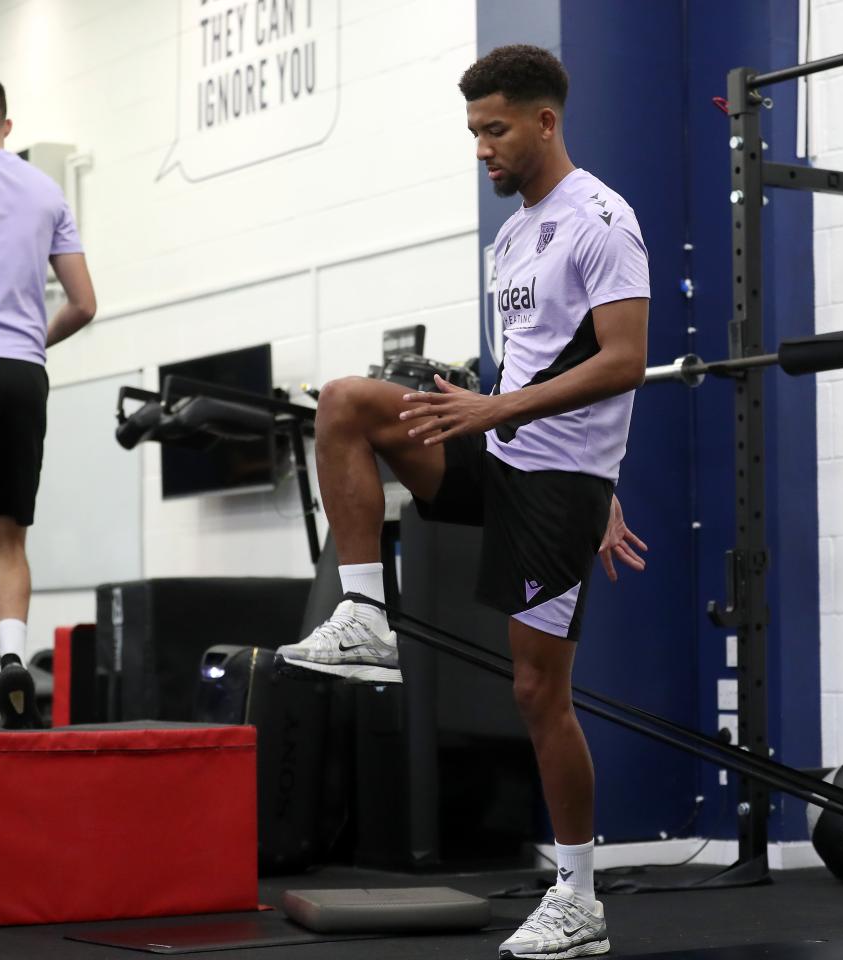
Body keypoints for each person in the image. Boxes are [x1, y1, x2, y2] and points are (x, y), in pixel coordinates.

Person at [275, 45, 650, 958]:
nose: (482, 148)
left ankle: (580, 898)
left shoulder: (603, 219)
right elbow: (533, 363)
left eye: (495, 129)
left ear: (545, 122)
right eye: (474, 132)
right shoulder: (512, 236)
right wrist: (479, 401)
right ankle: (365, 612)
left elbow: (623, 359)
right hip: (503, 449)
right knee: (346, 404)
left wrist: (597, 482)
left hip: (556, 482)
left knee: (536, 693)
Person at [0, 76, 97, 729]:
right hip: (20, 373)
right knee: (5, 540)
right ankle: (11, 662)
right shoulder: (46, 190)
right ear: (7, 124)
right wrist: (34, 340)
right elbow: (83, 303)